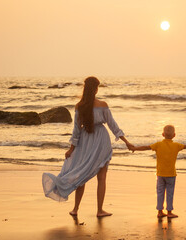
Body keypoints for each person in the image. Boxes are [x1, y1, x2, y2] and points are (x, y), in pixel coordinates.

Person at [42, 76, 133, 217]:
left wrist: (71, 149)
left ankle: (75, 209)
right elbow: (112, 125)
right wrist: (126, 142)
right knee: (101, 178)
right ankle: (99, 210)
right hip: (102, 141)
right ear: (96, 89)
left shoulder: (80, 105)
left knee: (81, 174)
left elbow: (76, 130)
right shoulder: (103, 105)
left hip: (85, 141)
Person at [131, 125, 186, 218]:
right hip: (171, 174)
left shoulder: (158, 145)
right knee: (170, 193)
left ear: (162, 134)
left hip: (160, 174)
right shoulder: (176, 145)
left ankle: (160, 211)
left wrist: (135, 148)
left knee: (160, 192)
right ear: (174, 135)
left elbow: (146, 147)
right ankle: (169, 212)